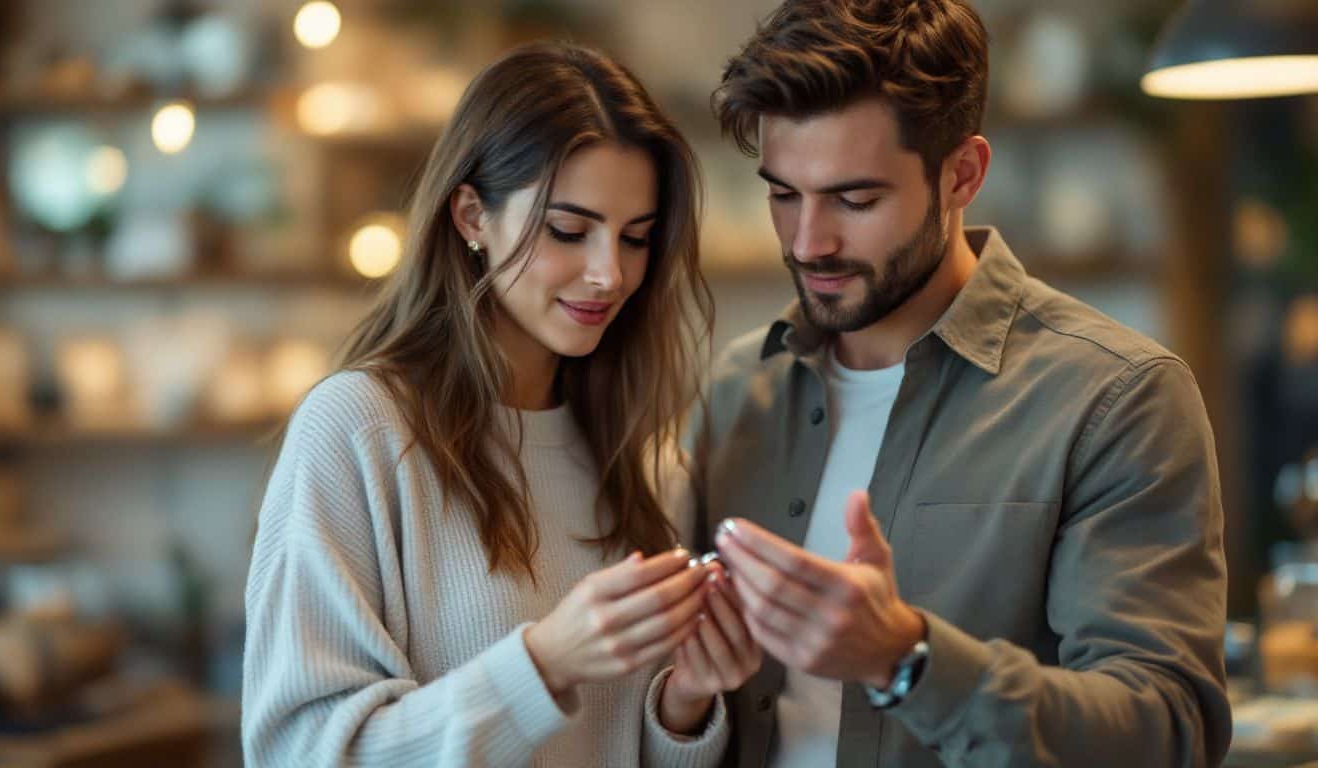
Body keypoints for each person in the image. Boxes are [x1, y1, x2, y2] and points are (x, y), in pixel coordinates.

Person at [685, 1, 1233, 766]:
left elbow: (1165, 729)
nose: (809, 242)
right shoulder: (737, 389)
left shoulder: (1116, 399)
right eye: (783, 195)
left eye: (856, 199)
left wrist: (906, 659)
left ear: (962, 174)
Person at [242, 42, 762, 768]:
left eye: (636, 238)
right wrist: (543, 663)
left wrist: (686, 704)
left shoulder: (640, 454)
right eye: (568, 231)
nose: (609, 274)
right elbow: (300, 753)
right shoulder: (358, 430)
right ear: (470, 216)